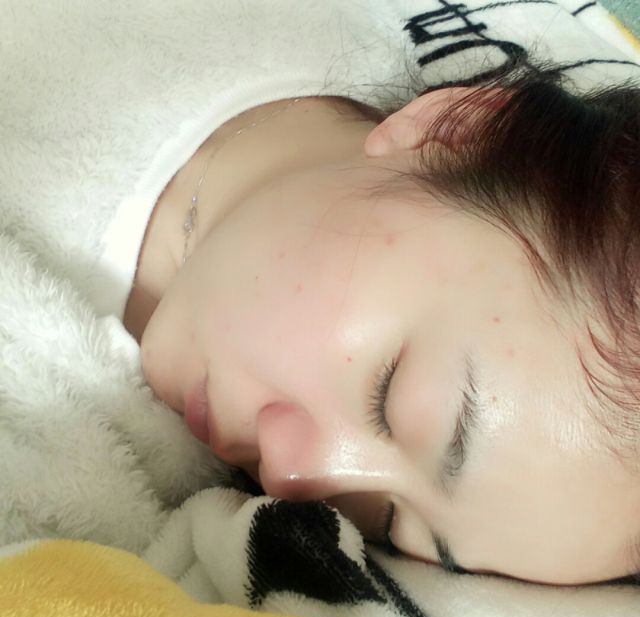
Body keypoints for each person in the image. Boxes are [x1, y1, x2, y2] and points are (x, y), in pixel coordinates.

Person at [2, 0, 639, 587]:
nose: (287, 474)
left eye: (387, 519)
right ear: (451, 132)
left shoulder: (75, 482)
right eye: (389, 394)